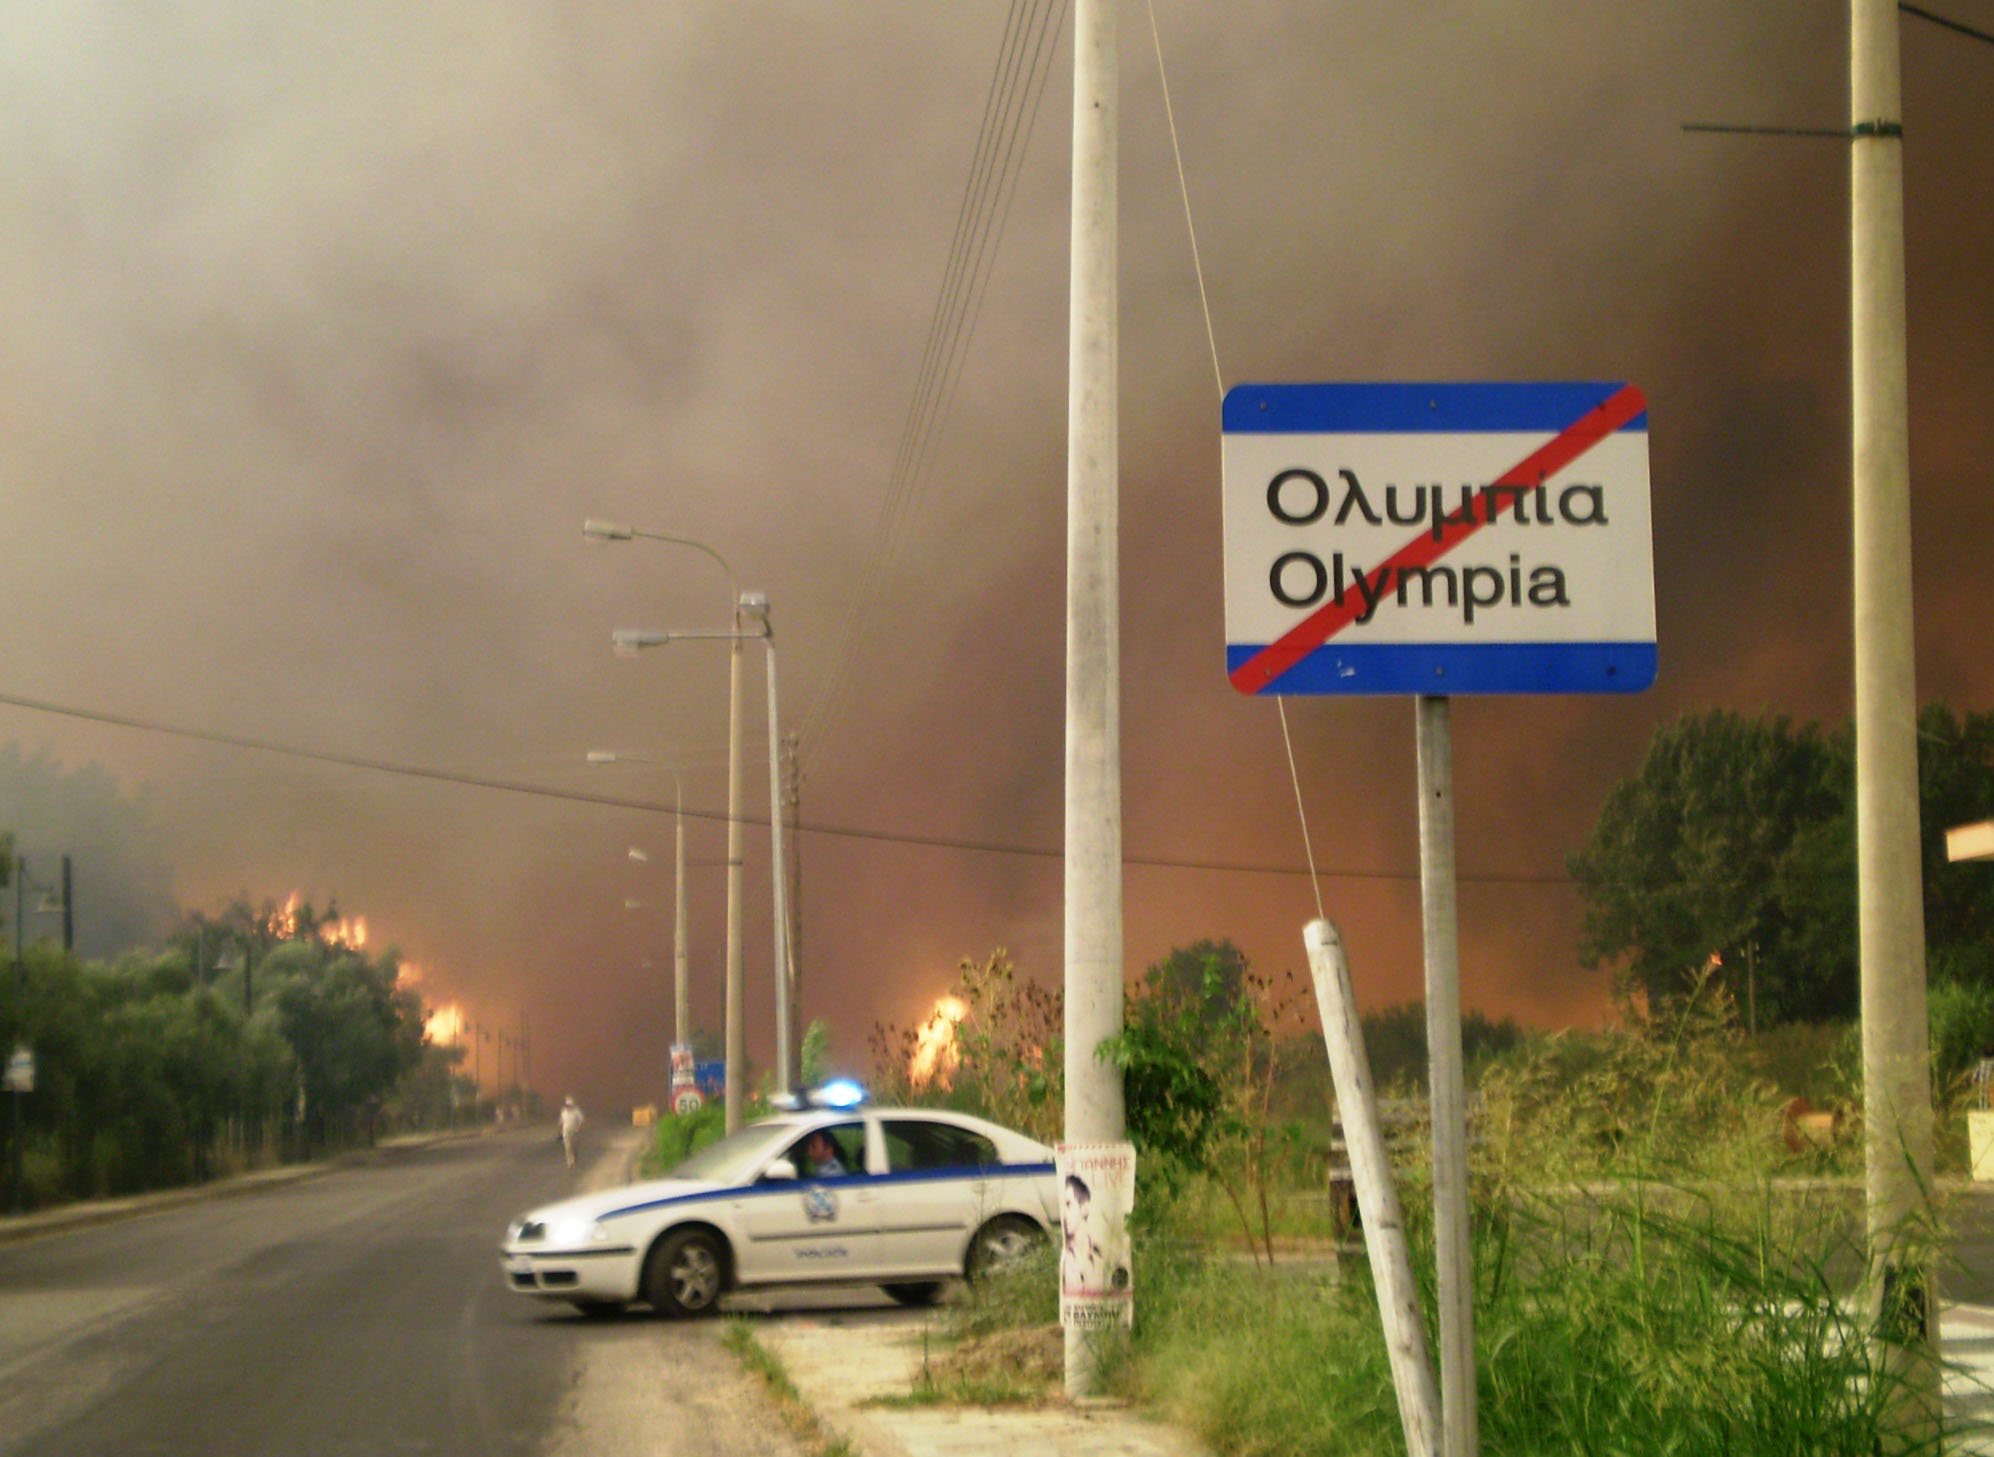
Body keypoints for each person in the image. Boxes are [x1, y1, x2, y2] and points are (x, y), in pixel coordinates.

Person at [558, 1096, 584, 1168]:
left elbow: (581, 1120)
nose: (568, 1106)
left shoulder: (576, 1111)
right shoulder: (563, 1112)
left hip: (574, 1130)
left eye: (570, 1105)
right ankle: (570, 1162)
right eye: (567, 1105)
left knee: (574, 1146)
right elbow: (561, 1121)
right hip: (566, 1131)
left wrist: (578, 1128)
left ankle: (574, 1156)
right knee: (567, 1147)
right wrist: (559, 1131)